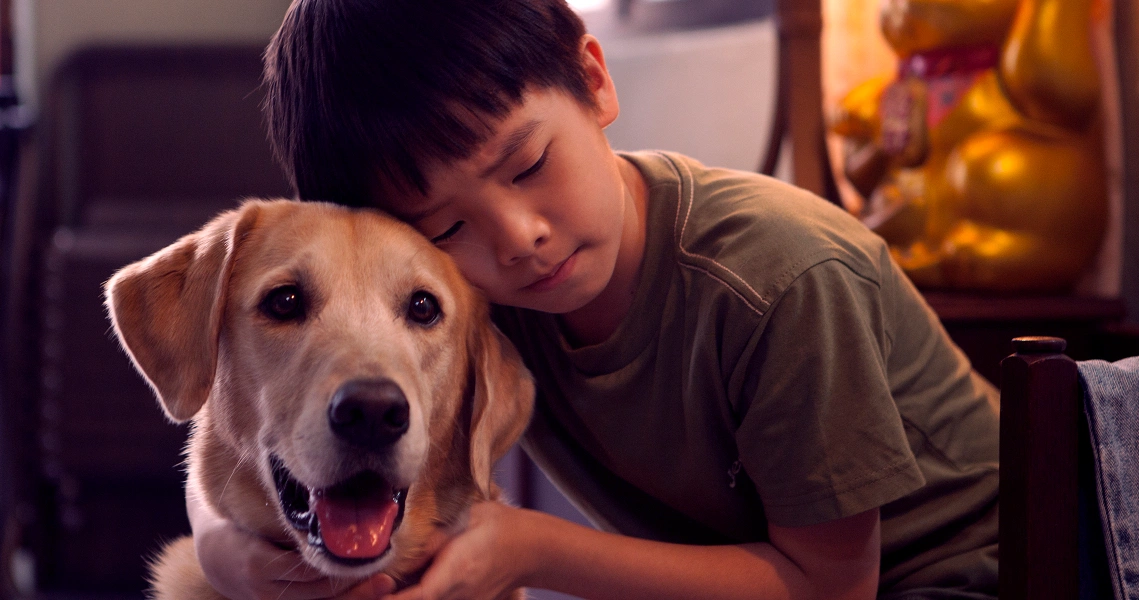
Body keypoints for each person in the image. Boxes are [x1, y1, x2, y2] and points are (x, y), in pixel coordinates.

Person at [190, 1, 1001, 598]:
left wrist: (533, 551)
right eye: (442, 225)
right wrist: (226, 550)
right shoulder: (459, 291)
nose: (515, 237)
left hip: (976, 573)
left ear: (592, 78)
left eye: (528, 165)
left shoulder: (782, 281)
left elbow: (830, 587)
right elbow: (241, 414)